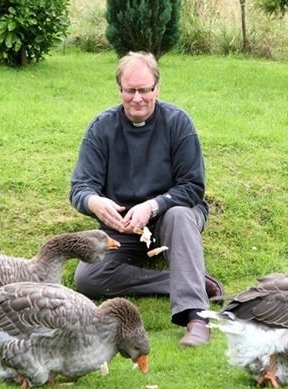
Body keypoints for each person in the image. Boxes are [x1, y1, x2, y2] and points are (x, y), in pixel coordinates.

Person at [69, 51, 224, 347]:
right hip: (124, 227)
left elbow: (193, 187)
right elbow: (80, 187)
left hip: (171, 216)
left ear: (157, 88)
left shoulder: (178, 123)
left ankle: (197, 318)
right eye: (130, 90)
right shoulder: (101, 128)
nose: (137, 97)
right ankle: (186, 282)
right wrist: (94, 203)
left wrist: (153, 205)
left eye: (145, 89)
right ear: (120, 90)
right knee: (88, 278)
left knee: (179, 215)